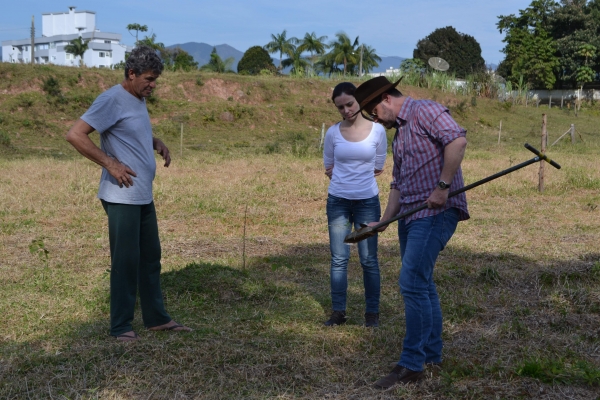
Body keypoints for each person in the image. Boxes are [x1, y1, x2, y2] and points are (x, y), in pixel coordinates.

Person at [65, 46, 191, 342]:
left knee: (150, 257)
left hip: (142, 195)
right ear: (131, 73)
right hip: (121, 196)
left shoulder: (137, 98)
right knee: (125, 261)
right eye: (148, 78)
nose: (153, 84)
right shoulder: (112, 99)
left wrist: (155, 141)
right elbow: (75, 134)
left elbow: (129, 133)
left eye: (155, 79)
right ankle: (121, 326)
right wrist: (110, 163)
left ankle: (156, 318)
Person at [353, 76, 469, 388]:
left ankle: (411, 363)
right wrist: (383, 221)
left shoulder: (426, 111)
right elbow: (397, 185)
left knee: (411, 282)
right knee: (422, 283)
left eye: (374, 110)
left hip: (437, 212)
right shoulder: (400, 134)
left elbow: (457, 141)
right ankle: (432, 354)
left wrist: (443, 187)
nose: (375, 118)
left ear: (386, 98)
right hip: (411, 216)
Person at [322, 82, 387, 328]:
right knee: (339, 258)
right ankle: (338, 312)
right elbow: (328, 166)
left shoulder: (378, 131)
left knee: (369, 259)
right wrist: (344, 179)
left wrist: (356, 178)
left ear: (358, 101)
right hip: (337, 201)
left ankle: (372, 313)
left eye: (349, 104)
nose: (346, 110)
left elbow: (379, 166)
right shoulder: (332, 133)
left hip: (367, 202)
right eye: (340, 107)